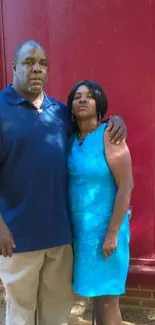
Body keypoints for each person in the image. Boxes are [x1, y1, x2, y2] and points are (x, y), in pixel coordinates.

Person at [0, 40, 127, 325]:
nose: (36, 69)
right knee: (20, 312)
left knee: (56, 313)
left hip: (60, 238)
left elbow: (90, 129)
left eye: (43, 64)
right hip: (18, 238)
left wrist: (114, 119)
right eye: (29, 62)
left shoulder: (59, 112)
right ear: (14, 68)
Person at [67, 80, 134, 325]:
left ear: (99, 104)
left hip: (107, 232)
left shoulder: (110, 135)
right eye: (77, 96)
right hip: (82, 236)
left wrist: (112, 233)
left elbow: (126, 186)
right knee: (95, 298)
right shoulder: (71, 139)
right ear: (71, 106)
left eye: (89, 96)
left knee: (107, 302)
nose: (82, 100)